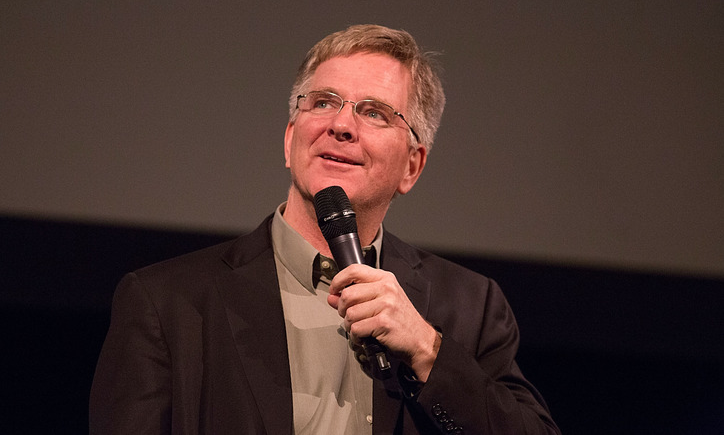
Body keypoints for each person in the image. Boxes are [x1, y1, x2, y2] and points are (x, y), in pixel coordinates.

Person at [90, 24, 560, 434]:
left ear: (412, 167)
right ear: (292, 138)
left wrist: (425, 348)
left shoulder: (469, 309)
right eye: (324, 102)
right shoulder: (167, 303)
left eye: (374, 112)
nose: (341, 124)